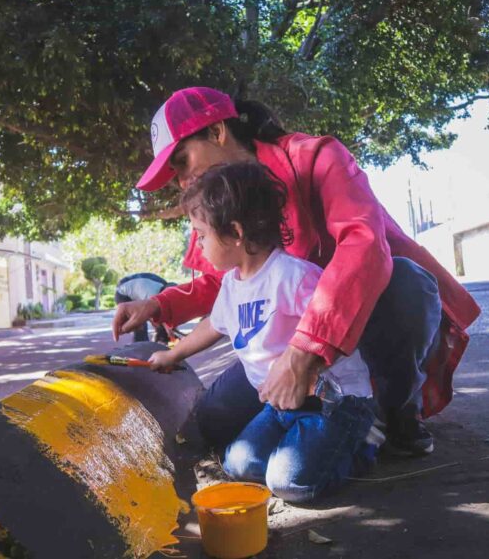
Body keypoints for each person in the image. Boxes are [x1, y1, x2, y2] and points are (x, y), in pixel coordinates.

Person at [113, 86, 481, 456]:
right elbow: (221, 281)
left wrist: (305, 350)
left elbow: (364, 245)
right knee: (213, 423)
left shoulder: (316, 157)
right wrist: (158, 305)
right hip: (280, 345)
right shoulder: (216, 204)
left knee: (406, 282)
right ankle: (319, 424)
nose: (182, 180)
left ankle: (392, 414)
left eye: (181, 160)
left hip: (349, 332)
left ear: (216, 132)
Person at [148, 162, 380, 502]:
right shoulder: (231, 284)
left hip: (333, 403)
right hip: (279, 404)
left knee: (289, 484)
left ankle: (360, 445)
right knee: (240, 464)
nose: (197, 247)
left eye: (201, 235)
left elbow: (337, 326)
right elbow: (214, 324)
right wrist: (173, 354)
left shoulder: (292, 276)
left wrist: (309, 367)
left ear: (236, 233)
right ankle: (306, 445)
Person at [114, 273, 175, 343]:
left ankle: (160, 339)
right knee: (140, 323)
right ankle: (141, 346)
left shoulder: (163, 286)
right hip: (123, 294)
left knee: (160, 321)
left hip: (133, 286)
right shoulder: (152, 293)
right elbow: (151, 315)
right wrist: (166, 327)